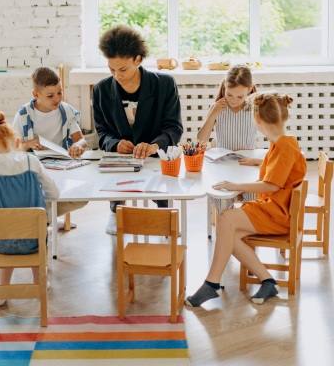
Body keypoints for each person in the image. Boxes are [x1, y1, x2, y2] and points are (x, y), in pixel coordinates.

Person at [186, 91, 307, 307]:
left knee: (225, 219)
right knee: (228, 233)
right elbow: (282, 172)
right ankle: (268, 281)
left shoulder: (284, 147)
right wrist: (259, 162)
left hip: (277, 213)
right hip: (272, 208)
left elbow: (273, 185)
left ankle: (211, 284)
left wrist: (236, 186)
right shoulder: (282, 142)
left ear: (257, 120)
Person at [92, 25, 183, 235]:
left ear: (138, 59)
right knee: (116, 184)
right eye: (111, 69)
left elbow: (173, 127)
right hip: (121, 161)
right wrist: (115, 144)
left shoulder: (165, 84)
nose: (117, 76)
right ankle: (116, 210)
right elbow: (102, 132)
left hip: (155, 158)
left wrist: (154, 146)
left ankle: (166, 211)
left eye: (122, 69)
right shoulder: (101, 90)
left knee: (162, 188)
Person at [0, 111, 59, 306]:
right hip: (33, 240)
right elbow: (54, 193)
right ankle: (39, 281)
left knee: (6, 234)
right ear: (18, 142)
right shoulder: (31, 161)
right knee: (38, 232)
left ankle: (2, 291)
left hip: (1, 242)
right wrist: (36, 195)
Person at [12, 66, 88, 229]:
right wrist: (28, 144)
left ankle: (44, 216)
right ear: (36, 95)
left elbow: (82, 141)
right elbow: (13, 151)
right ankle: (45, 217)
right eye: (50, 95)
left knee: (84, 196)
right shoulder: (24, 115)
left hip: (61, 166)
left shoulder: (66, 110)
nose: (57, 99)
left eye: (60, 92)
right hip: (32, 170)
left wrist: (76, 145)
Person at [198, 64, 260, 212]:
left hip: (247, 164)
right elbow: (201, 140)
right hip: (223, 165)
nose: (233, 100)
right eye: (230, 94)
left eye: (240, 96)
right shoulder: (218, 108)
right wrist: (213, 114)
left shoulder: (255, 108)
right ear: (225, 87)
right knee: (222, 201)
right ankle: (227, 227)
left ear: (250, 90)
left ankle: (243, 229)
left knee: (253, 200)